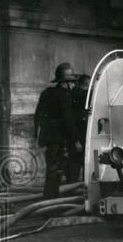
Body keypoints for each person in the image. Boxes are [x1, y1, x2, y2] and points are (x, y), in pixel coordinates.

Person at [34, 62, 82, 199]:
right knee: (57, 170)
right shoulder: (64, 96)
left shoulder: (47, 93)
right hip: (59, 139)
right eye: (71, 83)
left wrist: (37, 135)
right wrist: (76, 140)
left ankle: (49, 198)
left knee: (52, 169)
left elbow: (38, 116)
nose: (73, 85)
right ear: (64, 82)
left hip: (48, 138)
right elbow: (68, 121)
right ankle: (52, 200)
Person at [69, 73, 91, 182]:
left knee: (76, 163)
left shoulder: (74, 94)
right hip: (81, 134)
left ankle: (74, 186)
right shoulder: (85, 95)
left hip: (78, 135)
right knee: (80, 163)